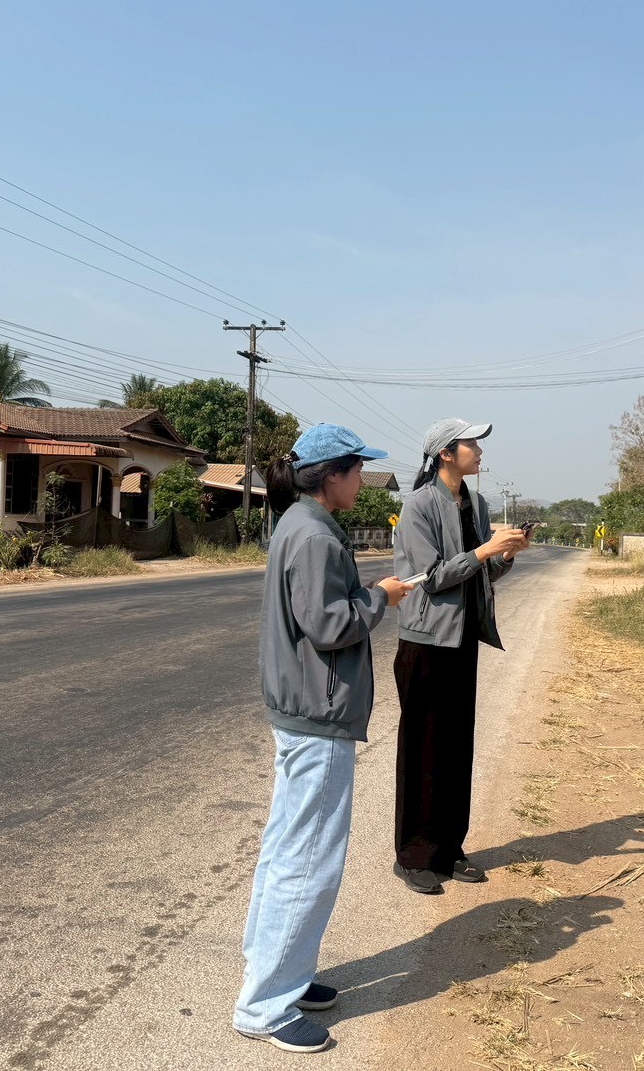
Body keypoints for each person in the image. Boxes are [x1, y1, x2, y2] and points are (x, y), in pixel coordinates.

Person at [233, 423, 413, 1054]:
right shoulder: (313, 534)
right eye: (357, 470)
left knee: (287, 850)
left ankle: (281, 971)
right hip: (318, 711)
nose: (362, 480)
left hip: (304, 709)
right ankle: (265, 1005)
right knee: (308, 859)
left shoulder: (301, 524)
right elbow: (329, 624)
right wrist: (381, 596)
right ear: (331, 474)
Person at [390, 417, 529, 894]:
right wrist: (486, 549)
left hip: (462, 639)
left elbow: (481, 575)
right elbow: (430, 578)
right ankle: (413, 856)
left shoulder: (477, 503)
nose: (480, 450)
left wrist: (504, 555)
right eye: (472, 443)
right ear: (445, 453)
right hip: (425, 642)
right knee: (421, 749)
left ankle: (449, 849)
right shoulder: (418, 506)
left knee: (455, 746)